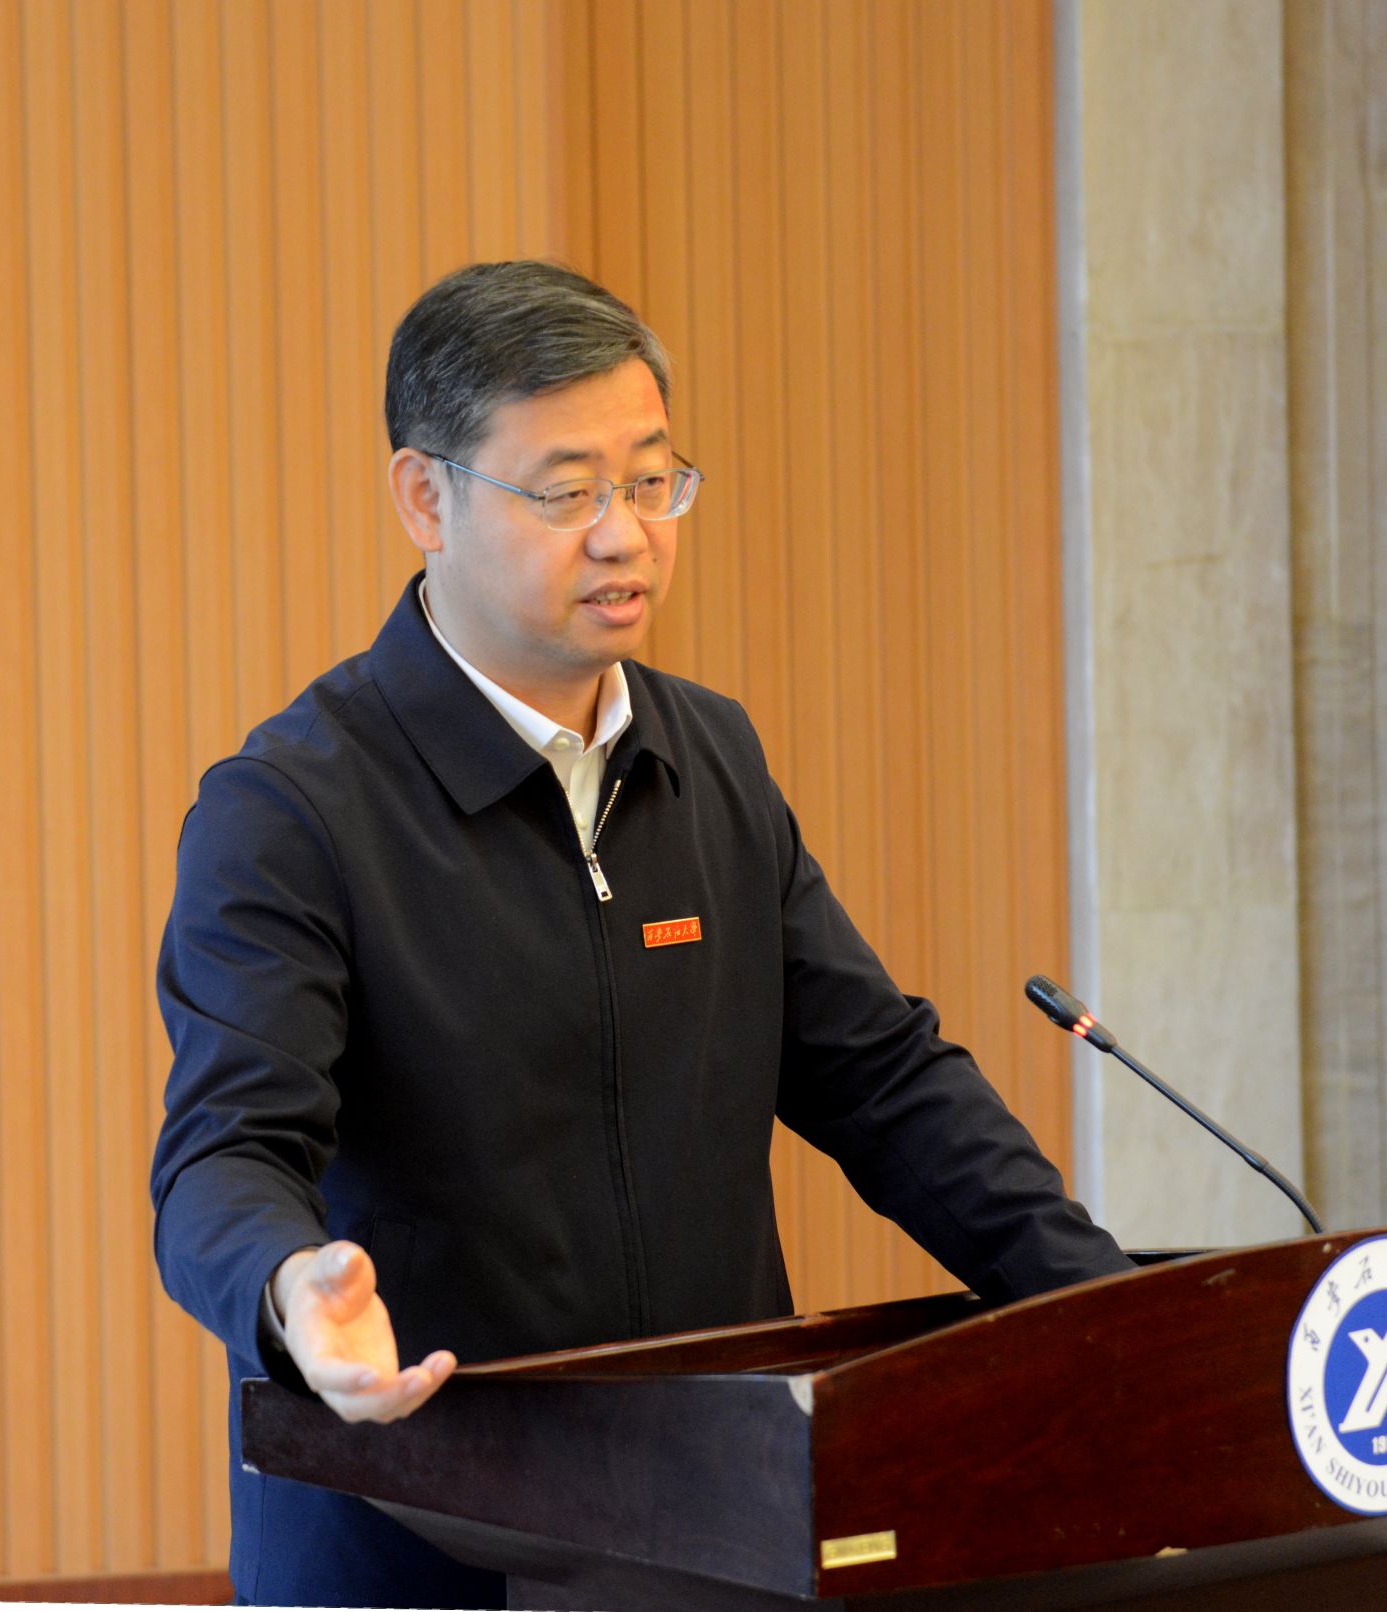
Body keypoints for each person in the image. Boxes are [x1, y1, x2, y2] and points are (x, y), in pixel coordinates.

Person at [150, 260, 1134, 1609]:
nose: (625, 536)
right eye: (566, 493)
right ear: (425, 498)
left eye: (653, 481)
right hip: (429, 1537)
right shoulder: (294, 808)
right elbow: (222, 1155)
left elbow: (886, 1083)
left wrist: (1108, 1316)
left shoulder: (708, 756)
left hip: (709, 1525)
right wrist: (287, 1289)